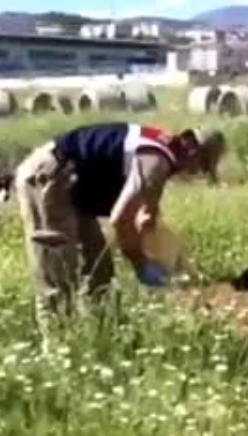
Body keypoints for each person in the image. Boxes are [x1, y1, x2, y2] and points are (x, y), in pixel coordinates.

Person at [12, 121, 225, 334]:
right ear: (192, 149)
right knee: (58, 274)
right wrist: (141, 264)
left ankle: (98, 337)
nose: (197, 172)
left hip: (75, 187)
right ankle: (56, 351)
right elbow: (121, 219)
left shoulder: (159, 152)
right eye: (203, 166)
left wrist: (179, 268)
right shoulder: (157, 161)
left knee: (99, 270)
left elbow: (145, 220)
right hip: (49, 175)